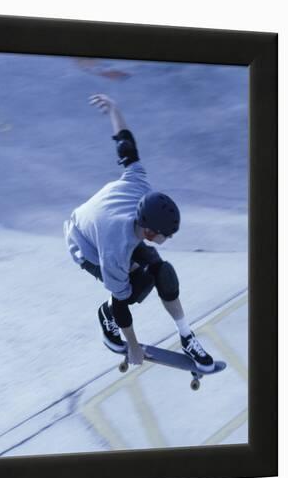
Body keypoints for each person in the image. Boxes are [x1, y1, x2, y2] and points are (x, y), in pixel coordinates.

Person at [63, 94, 214, 371]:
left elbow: (125, 146)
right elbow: (124, 306)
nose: (167, 240)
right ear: (148, 231)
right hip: (84, 242)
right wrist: (132, 345)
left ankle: (186, 336)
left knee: (161, 270)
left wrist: (114, 109)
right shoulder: (115, 251)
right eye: (164, 235)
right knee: (131, 290)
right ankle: (103, 313)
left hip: (106, 220)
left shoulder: (138, 182)